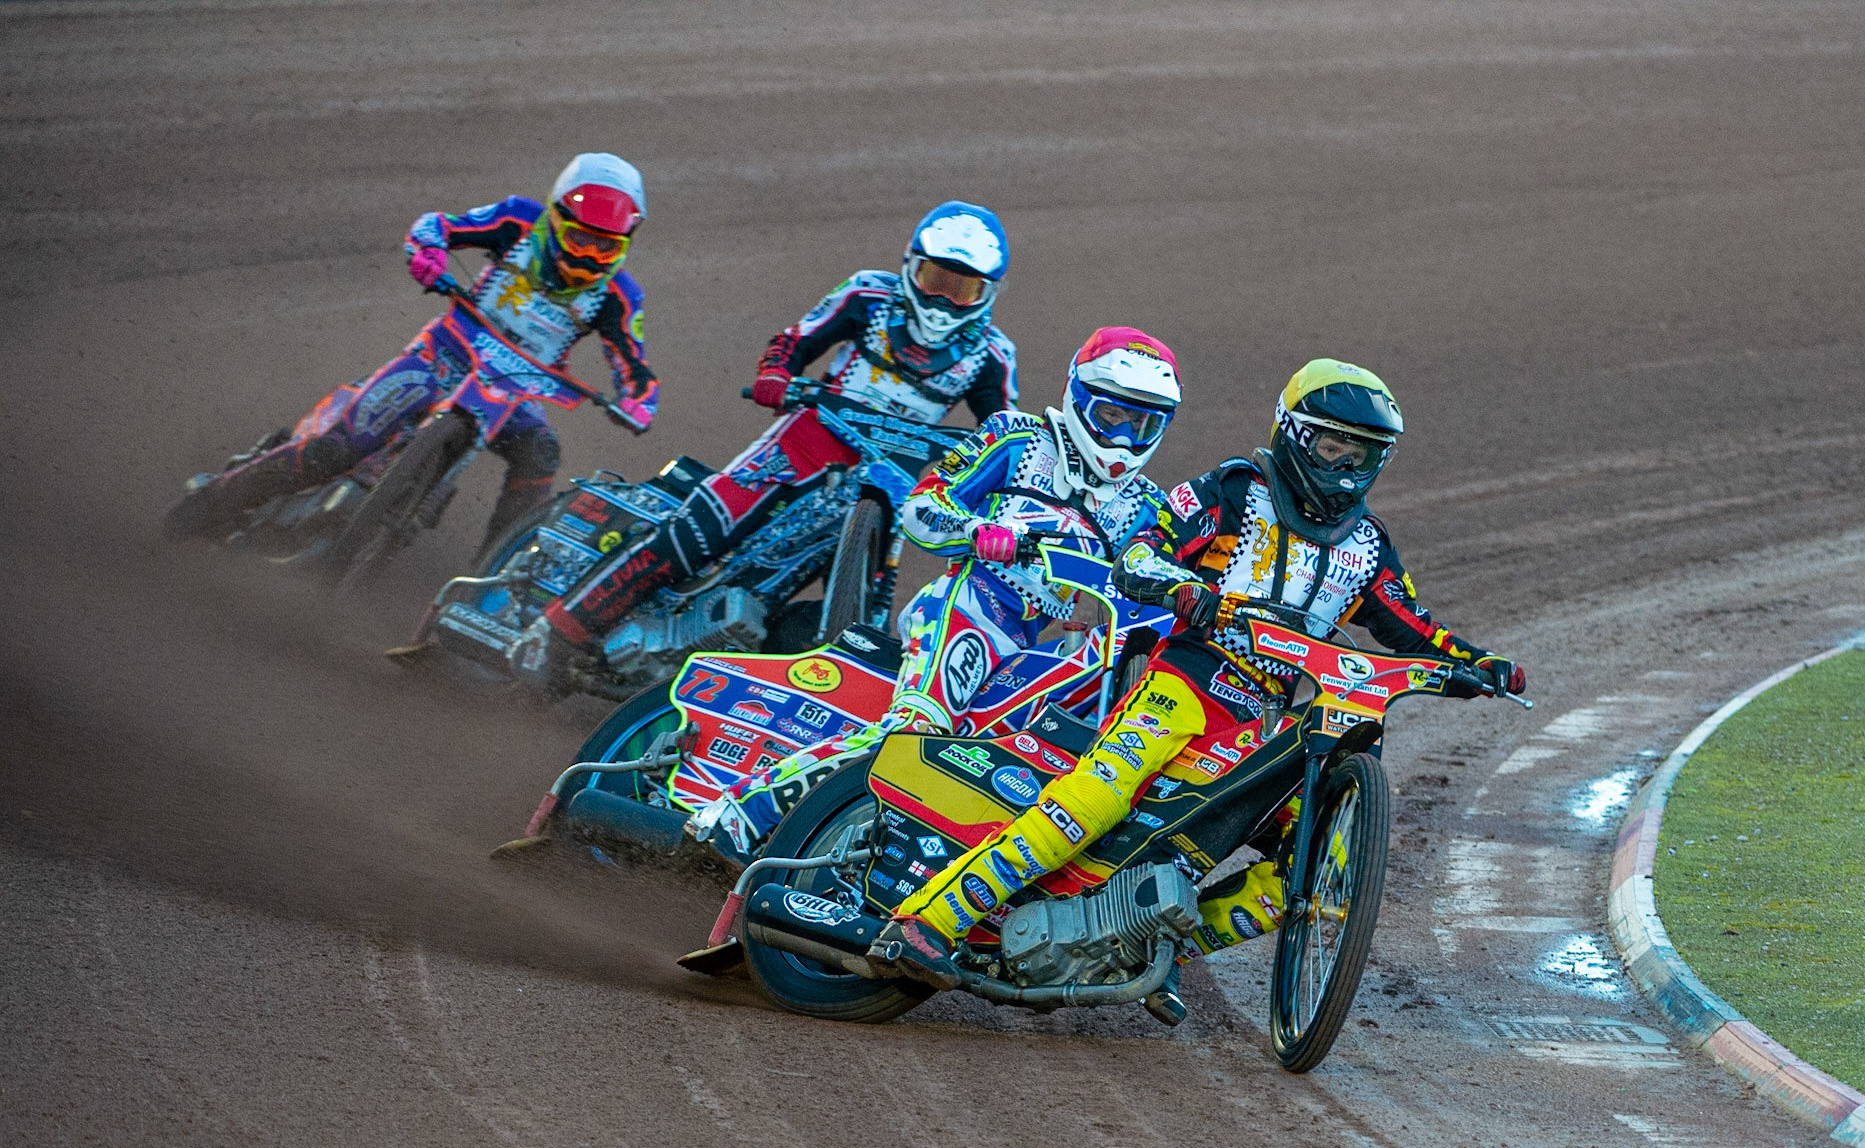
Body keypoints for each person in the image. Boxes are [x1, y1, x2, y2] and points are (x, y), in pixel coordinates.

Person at [866, 358, 1529, 1024]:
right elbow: (1140, 552)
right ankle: (928, 920)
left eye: (1365, 453)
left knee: (1312, 869)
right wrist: (1184, 588)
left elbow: (1413, 627)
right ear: (1297, 435)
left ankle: (1150, 948)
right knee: (1092, 801)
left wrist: (1480, 664)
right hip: (1185, 680)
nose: (1348, 467)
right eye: (1335, 447)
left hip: (1262, 721)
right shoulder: (1235, 489)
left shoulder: (1367, 545)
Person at [686, 326, 1182, 864]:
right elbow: (922, 507)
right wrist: (976, 532)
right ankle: (735, 814)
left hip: (1032, 645)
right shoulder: (1016, 438)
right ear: (1079, 397)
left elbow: (1159, 578)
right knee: (916, 732)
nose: (1125, 436)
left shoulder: (1147, 506)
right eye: (1113, 415)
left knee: (995, 758)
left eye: (1143, 423)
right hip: (966, 607)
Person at [508, 200, 1018, 688]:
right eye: (935, 280)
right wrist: (776, 375)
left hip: (894, 481)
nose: (942, 300)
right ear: (911, 267)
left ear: (989, 293)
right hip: (811, 440)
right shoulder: (868, 294)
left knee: (864, 609)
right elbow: (795, 340)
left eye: (962, 290)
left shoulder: (994, 354)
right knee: (700, 530)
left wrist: (1002, 479)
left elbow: (1004, 431)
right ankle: (550, 634)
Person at [165, 153, 658, 553]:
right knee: (334, 449)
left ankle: (492, 581)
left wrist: (638, 403)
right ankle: (212, 501)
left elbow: (635, 369)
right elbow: (438, 226)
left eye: (605, 248)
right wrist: (428, 254)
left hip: (514, 394)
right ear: (555, 218)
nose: (589, 257)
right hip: (440, 357)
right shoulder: (517, 220)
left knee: (542, 452)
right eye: (580, 239)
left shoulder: (620, 296)